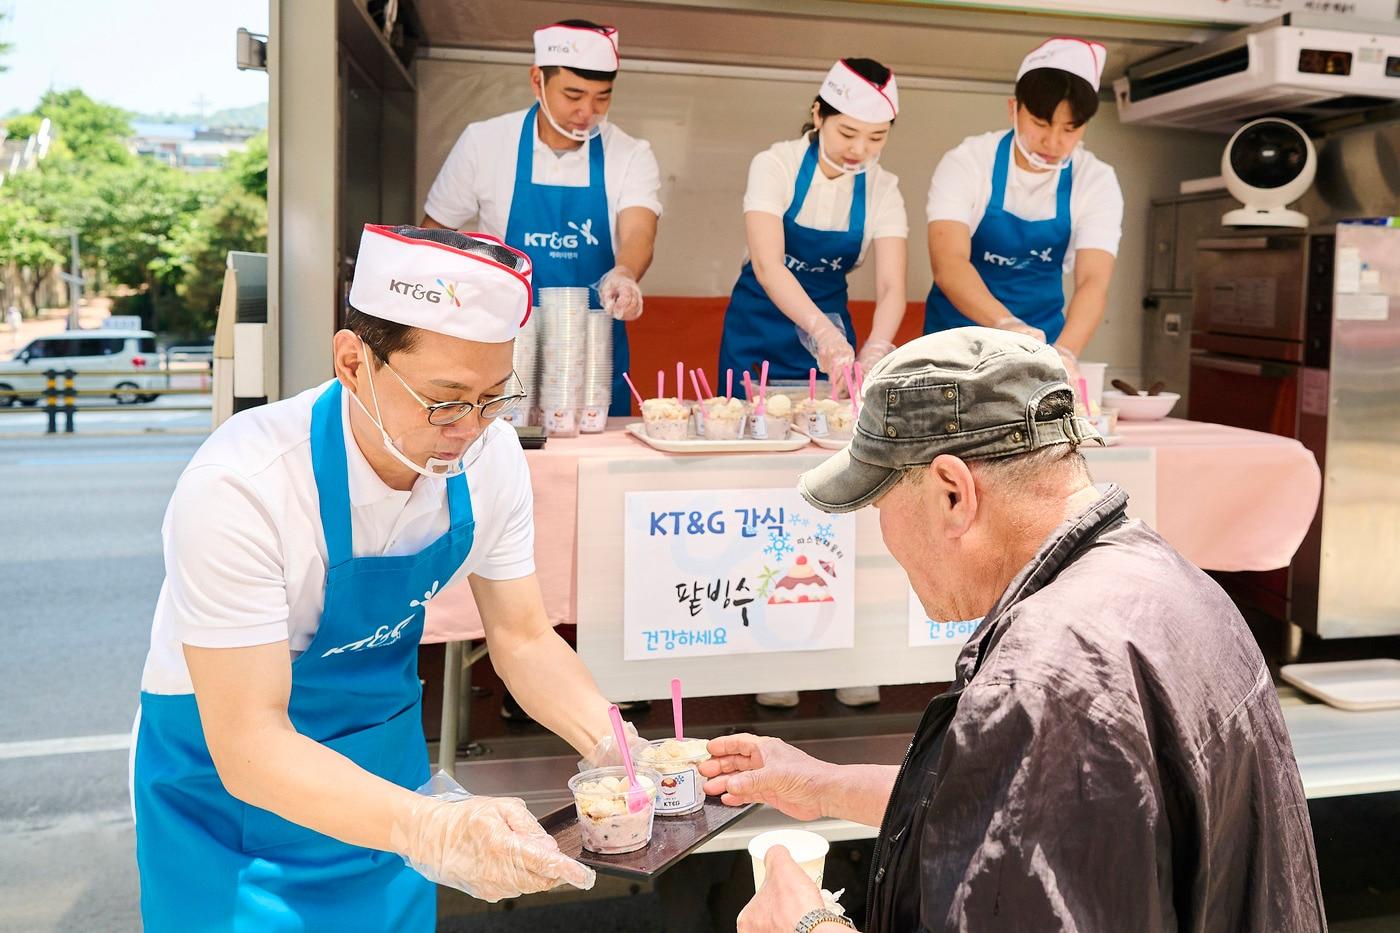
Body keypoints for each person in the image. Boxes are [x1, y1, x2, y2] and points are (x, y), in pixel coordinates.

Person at [702, 328, 1325, 933]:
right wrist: (820, 785)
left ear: (952, 493)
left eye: (879, 505)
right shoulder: (1168, 581)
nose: (884, 538)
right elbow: (1032, 810)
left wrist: (808, 924)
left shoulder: (1047, 677)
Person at [132, 225, 645, 931]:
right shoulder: (242, 486)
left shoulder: (487, 460)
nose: (470, 427)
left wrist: (619, 748)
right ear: (352, 360)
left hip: (384, 784)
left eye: (494, 397)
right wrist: (431, 830)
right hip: (230, 804)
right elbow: (249, 741)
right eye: (445, 398)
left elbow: (524, 638)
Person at [421, 19, 661, 417]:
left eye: (602, 98)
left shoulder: (630, 153)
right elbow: (434, 237)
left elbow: (639, 230)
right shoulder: (484, 142)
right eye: (573, 95)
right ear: (537, 80)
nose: (587, 112)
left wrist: (625, 273)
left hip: (592, 355)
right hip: (501, 347)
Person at [924, 38, 1122, 369]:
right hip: (954, 348)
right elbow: (949, 264)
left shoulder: (1096, 180)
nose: (1054, 142)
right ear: (1013, 109)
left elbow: (1093, 282)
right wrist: (1006, 326)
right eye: (1041, 124)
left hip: (1040, 352)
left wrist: (1066, 353)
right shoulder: (969, 162)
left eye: (1070, 129)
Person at [718, 57, 908, 391]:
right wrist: (822, 332)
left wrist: (876, 347)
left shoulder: (884, 188)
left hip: (833, 352)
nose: (860, 149)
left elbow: (892, 287)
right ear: (818, 115)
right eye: (848, 133)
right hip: (757, 333)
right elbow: (768, 265)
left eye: (877, 137)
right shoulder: (776, 165)